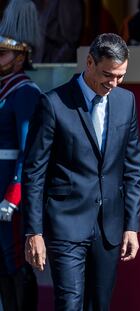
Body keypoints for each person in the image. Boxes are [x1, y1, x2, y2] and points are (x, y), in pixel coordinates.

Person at [22, 33, 140, 310]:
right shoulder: (53, 104)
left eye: (120, 76)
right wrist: (34, 232)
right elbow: (34, 172)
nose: (113, 83)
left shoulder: (127, 102)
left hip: (109, 226)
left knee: (99, 304)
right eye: (107, 75)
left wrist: (131, 226)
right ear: (89, 62)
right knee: (70, 303)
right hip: (66, 223)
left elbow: (133, 168)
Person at [0, 0, 41, 309]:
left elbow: (29, 149)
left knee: (15, 258)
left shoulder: (25, 92)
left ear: (21, 57)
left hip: (9, 191)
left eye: (4, 53)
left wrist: (14, 194)